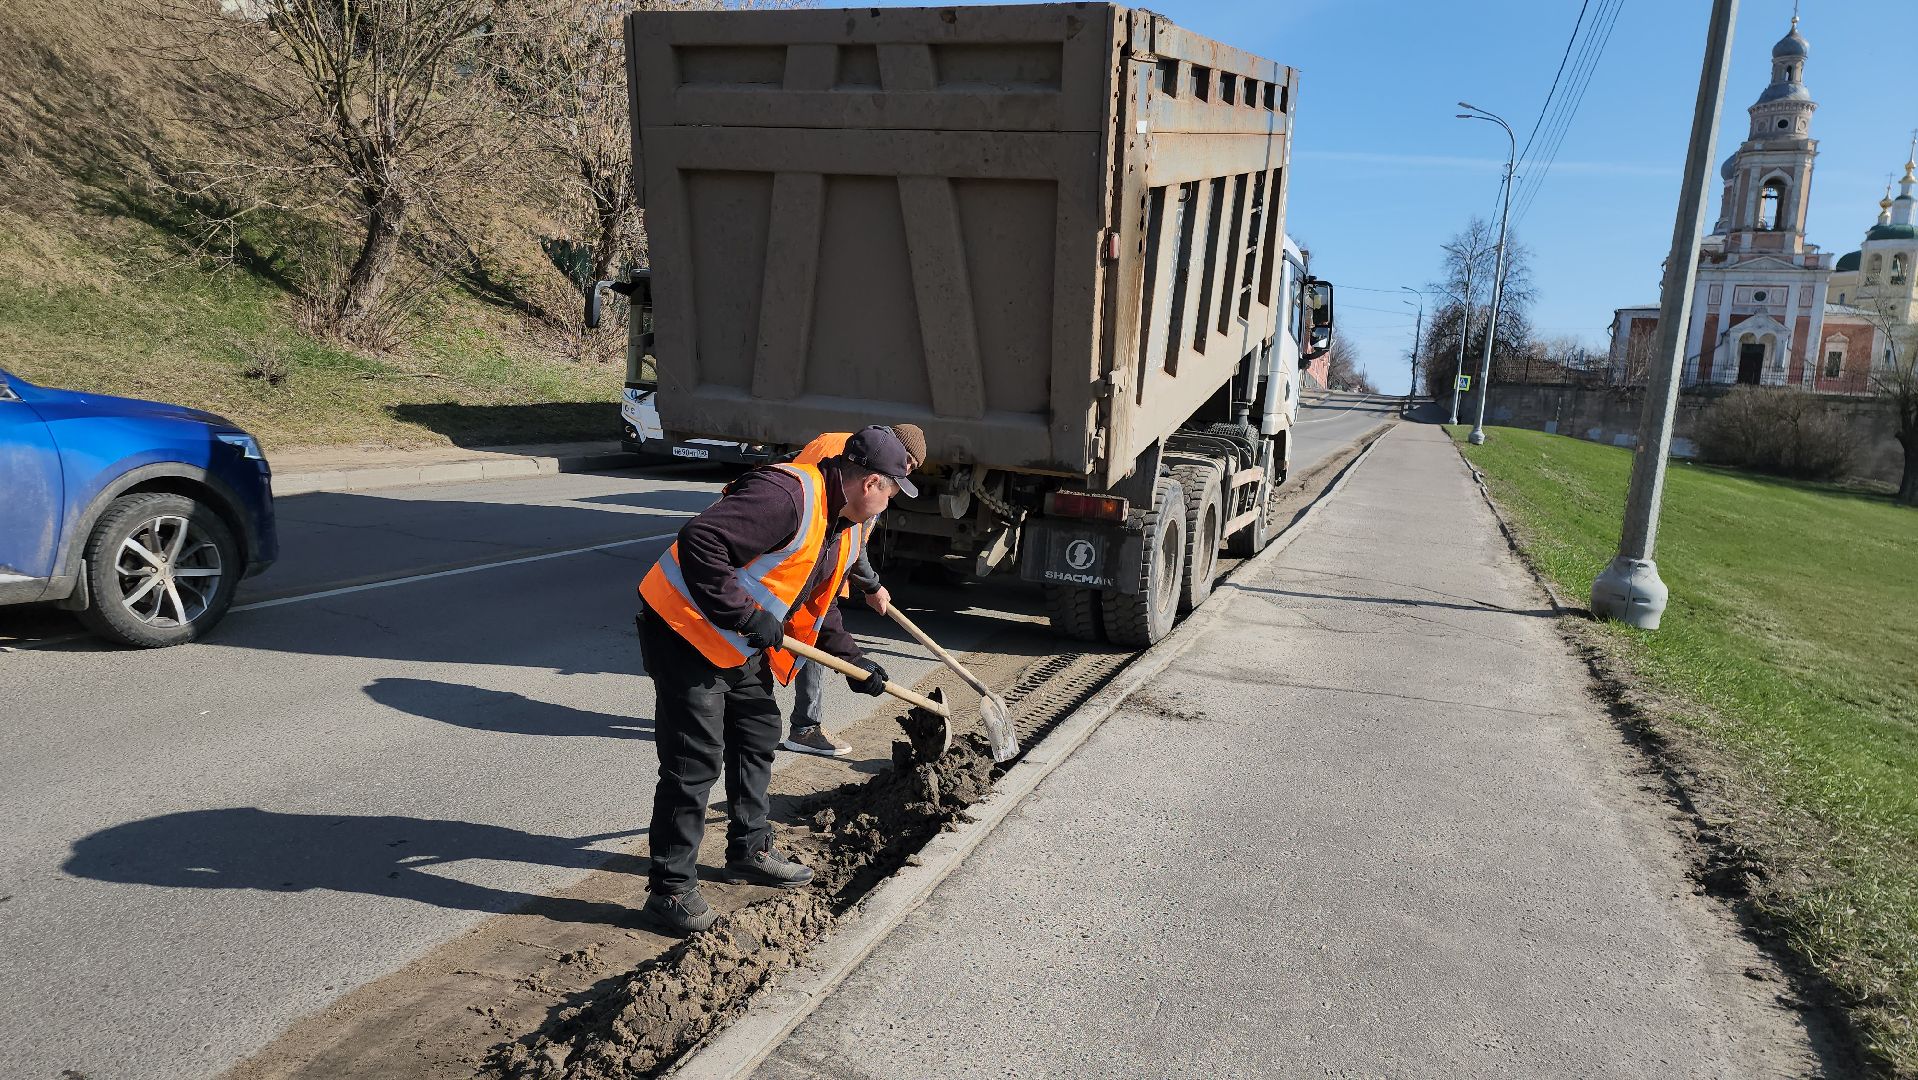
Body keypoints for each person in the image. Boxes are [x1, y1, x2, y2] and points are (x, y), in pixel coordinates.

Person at [634, 425, 921, 934]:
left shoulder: (840, 522)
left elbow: (816, 603)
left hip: (735, 639)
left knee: (759, 733)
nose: (891, 502)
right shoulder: (788, 494)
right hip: (684, 628)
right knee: (694, 760)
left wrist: (855, 665)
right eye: (894, 489)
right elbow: (701, 540)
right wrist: (744, 614)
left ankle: (749, 848)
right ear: (872, 482)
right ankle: (670, 890)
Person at [779, 423, 926, 758]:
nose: (905, 477)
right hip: (800, 556)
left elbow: (853, 539)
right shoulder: (858, 466)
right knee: (810, 629)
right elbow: (847, 533)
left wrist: (872, 587)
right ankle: (805, 727)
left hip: (815, 555)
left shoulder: (862, 454)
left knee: (816, 628)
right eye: (909, 466)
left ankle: (793, 722)